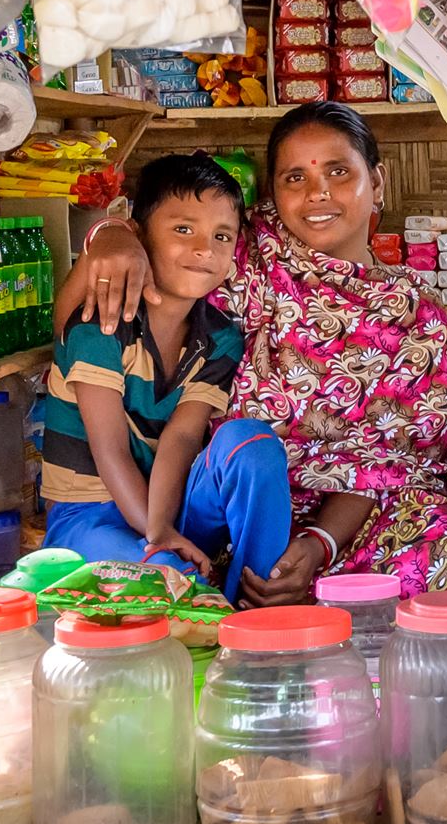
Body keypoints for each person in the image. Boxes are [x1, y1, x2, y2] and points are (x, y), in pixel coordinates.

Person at [60, 100, 447, 599]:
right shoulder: (243, 251)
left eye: (339, 172)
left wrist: (317, 544)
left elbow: (395, 465)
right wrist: (111, 236)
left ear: (376, 182)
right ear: (272, 193)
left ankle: (317, 617)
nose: (318, 193)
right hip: (223, 507)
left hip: (352, 525)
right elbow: (144, 255)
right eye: (295, 178)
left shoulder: (414, 314)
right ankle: (249, 602)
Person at [34, 152, 291, 600]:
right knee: (166, 581)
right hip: (88, 515)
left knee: (254, 444)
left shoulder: (221, 337)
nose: (204, 249)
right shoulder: (100, 322)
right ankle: (201, 598)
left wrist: (162, 526)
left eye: (222, 236)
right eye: (183, 229)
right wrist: (158, 536)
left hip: (165, 505)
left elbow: (183, 437)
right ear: (137, 235)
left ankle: (257, 593)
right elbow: (110, 448)